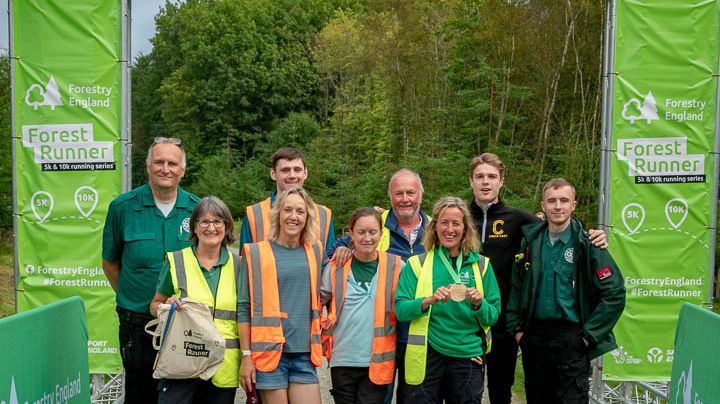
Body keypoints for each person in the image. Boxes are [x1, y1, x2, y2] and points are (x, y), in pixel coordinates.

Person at [468, 152, 608, 404]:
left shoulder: (519, 218)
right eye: (480, 176)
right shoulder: (459, 217)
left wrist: (594, 235)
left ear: (501, 181)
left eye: (492, 176)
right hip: (464, 317)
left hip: (502, 322)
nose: (485, 182)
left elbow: (561, 224)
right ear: (471, 181)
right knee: (464, 388)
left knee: (500, 388)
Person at [506, 178, 625, 403]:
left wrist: (589, 336)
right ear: (543, 205)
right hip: (535, 338)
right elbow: (516, 287)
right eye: (552, 201)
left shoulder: (588, 243)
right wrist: (517, 330)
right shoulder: (530, 243)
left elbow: (614, 293)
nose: (557, 206)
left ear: (574, 205)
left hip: (572, 338)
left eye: (564, 200)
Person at [102, 137, 200, 404]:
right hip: (137, 321)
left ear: (182, 169)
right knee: (139, 392)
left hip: (184, 322)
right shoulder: (123, 208)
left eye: (172, 163)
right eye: (159, 162)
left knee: (182, 394)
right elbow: (110, 262)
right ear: (148, 166)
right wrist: (131, 297)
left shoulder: (196, 209)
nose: (165, 168)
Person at [331, 168, 431, 404]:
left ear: (421, 195)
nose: (405, 199)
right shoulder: (377, 224)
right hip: (380, 338)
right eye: (398, 193)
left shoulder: (435, 229)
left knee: (414, 398)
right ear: (390, 196)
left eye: (410, 192)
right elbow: (335, 251)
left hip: (417, 335)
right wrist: (341, 249)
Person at [395, 196, 501, 404]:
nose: (449, 229)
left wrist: (479, 304)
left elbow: (493, 315)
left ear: (465, 228)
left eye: (456, 223)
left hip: (467, 356)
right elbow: (401, 310)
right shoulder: (417, 264)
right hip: (428, 355)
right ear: (434, 227)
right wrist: (429, 300)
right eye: (444, 223)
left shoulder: (482, 266)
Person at [237, 188, 325, 404]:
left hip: (304, 354)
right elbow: (243, 308)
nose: (293, 216)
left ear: (307, 218)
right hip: (269, 355)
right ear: (277, 214)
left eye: (300, 211)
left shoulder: (315, 250)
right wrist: (246, 356)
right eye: (287, 210)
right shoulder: (255, 253)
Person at [149, 196, 240, 403]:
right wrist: (165, 307)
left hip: (223, 368)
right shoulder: (177, 260)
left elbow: (245, 317)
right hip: (182, 364)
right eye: (204, 221)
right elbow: (154, 305)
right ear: (195, 227)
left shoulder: (239, 265)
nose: (211, 227)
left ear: (226, 227)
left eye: (218, 221)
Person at [320, 208, 404, 404]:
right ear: (351, 234)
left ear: (381, 234)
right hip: (343, 358)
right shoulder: (336, 267)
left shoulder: (397, 267)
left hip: (378, 359)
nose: (367, 238)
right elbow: (316, 303)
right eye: (361, 232)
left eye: (373, 232)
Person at [239, 147, 336, 256]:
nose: (292, 176)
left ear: (305, 173)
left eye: (297, 170)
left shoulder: (323, 215)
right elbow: (246, 263)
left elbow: (330, 264)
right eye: (285, 170)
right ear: (273, 174)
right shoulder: (254, 214)